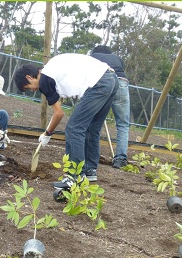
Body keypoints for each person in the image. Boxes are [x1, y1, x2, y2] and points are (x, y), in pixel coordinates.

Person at [14, 53, 118, 186]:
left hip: (99, 83)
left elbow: (59, 113)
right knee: (92, 128)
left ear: (29, 77)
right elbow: (58, 109)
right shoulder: (52, 69)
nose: (33, 90)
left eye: (28, 87)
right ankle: (89, 171)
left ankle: (73, 176)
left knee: (74, 128)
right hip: (111, 79)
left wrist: (47, 134)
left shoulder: (45, 79)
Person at [91, 45, 130, 168]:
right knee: (123, 124)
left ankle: (92, 156)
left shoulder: (92, 57)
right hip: (122, 83)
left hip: (104, 82)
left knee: (94, 122)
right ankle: (120, 159)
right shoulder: (117, 58)